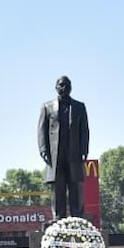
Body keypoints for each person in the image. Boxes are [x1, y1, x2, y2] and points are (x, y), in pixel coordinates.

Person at [37, 75, 90, 220]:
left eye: (67, 85)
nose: (64, 87)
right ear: (56, 88)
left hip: (73, 153)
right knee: (58, 187)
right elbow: (41, 130)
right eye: (61, 85)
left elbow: (84, 130)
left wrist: (84, 150)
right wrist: (43, 150)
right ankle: (58, 217)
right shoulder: (47, 107)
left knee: (75, 185)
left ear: (71, 88)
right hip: (56, 154)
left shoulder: (79, 107)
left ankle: (77, 216)